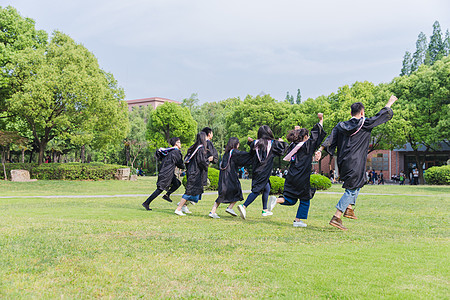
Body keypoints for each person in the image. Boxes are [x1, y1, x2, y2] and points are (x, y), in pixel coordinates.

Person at [316, 95, 397, 230]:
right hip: (356, 162)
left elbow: (330, 139)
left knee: (360, 181)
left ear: (350, 113)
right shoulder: (364, 123)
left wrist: (320, 149)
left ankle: (349, 208)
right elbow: (381, 115)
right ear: (362, 112)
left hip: (343, 162)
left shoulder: (340, 126)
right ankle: (337, 216)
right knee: (352, 189)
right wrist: (390, 102)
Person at [268, 113, 326, 227]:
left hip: (291, 176)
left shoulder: (293, 146)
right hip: (302, 177)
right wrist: (321, 120)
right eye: (307, 136)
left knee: (291, 199)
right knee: (305, 199)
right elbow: (316, 134)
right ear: (305, 137)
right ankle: (298, 221)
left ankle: (276, 200)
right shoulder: (307, 145)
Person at [237, 125, 287, 219]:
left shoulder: (255, 143)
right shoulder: (273, 143)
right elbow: (281, 152)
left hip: (257, 170)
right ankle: (244, 206)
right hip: (265, 171)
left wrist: (249, 142)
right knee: (256, 190)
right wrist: (282, 142)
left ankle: (265, 210)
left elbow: (252, 153)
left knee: (267, 188)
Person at [208, 137, 252, 219]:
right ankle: (223, 209)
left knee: (225, 193)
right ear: (236, 144)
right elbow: (245, 157)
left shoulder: (226, 153)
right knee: (237, 191)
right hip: (230, 176)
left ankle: (221, 209)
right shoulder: (234, 152)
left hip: (223, 176)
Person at [175, 132, 213, 216]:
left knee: (195, 192)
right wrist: (209, 160)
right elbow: (202, 161)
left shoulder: (193, 148)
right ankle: (179, 208)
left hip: (191, 172)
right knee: (189, 191)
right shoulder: (201, 148)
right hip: (195, 173)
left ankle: (184, 205)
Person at [142, 137, 184, 211]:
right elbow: (180, 164)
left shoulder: (168, 151)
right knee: (160, 189)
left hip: (167, 172)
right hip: (166, 173)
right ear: (176, 143)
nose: (181, 144)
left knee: (177, 183)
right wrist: (185, 165)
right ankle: (146, 202)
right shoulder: (176, 152)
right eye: (180, 142)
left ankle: (167, 195)